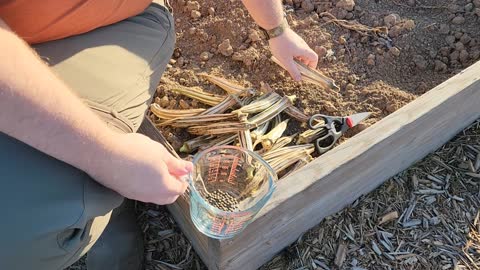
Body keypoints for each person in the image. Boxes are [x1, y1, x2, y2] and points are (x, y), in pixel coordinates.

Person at [0, 0, 318, 269]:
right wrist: (107, 157)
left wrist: (278, 30)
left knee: (25, 219)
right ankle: (95, 201)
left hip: (110, 20)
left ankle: (93, 209)